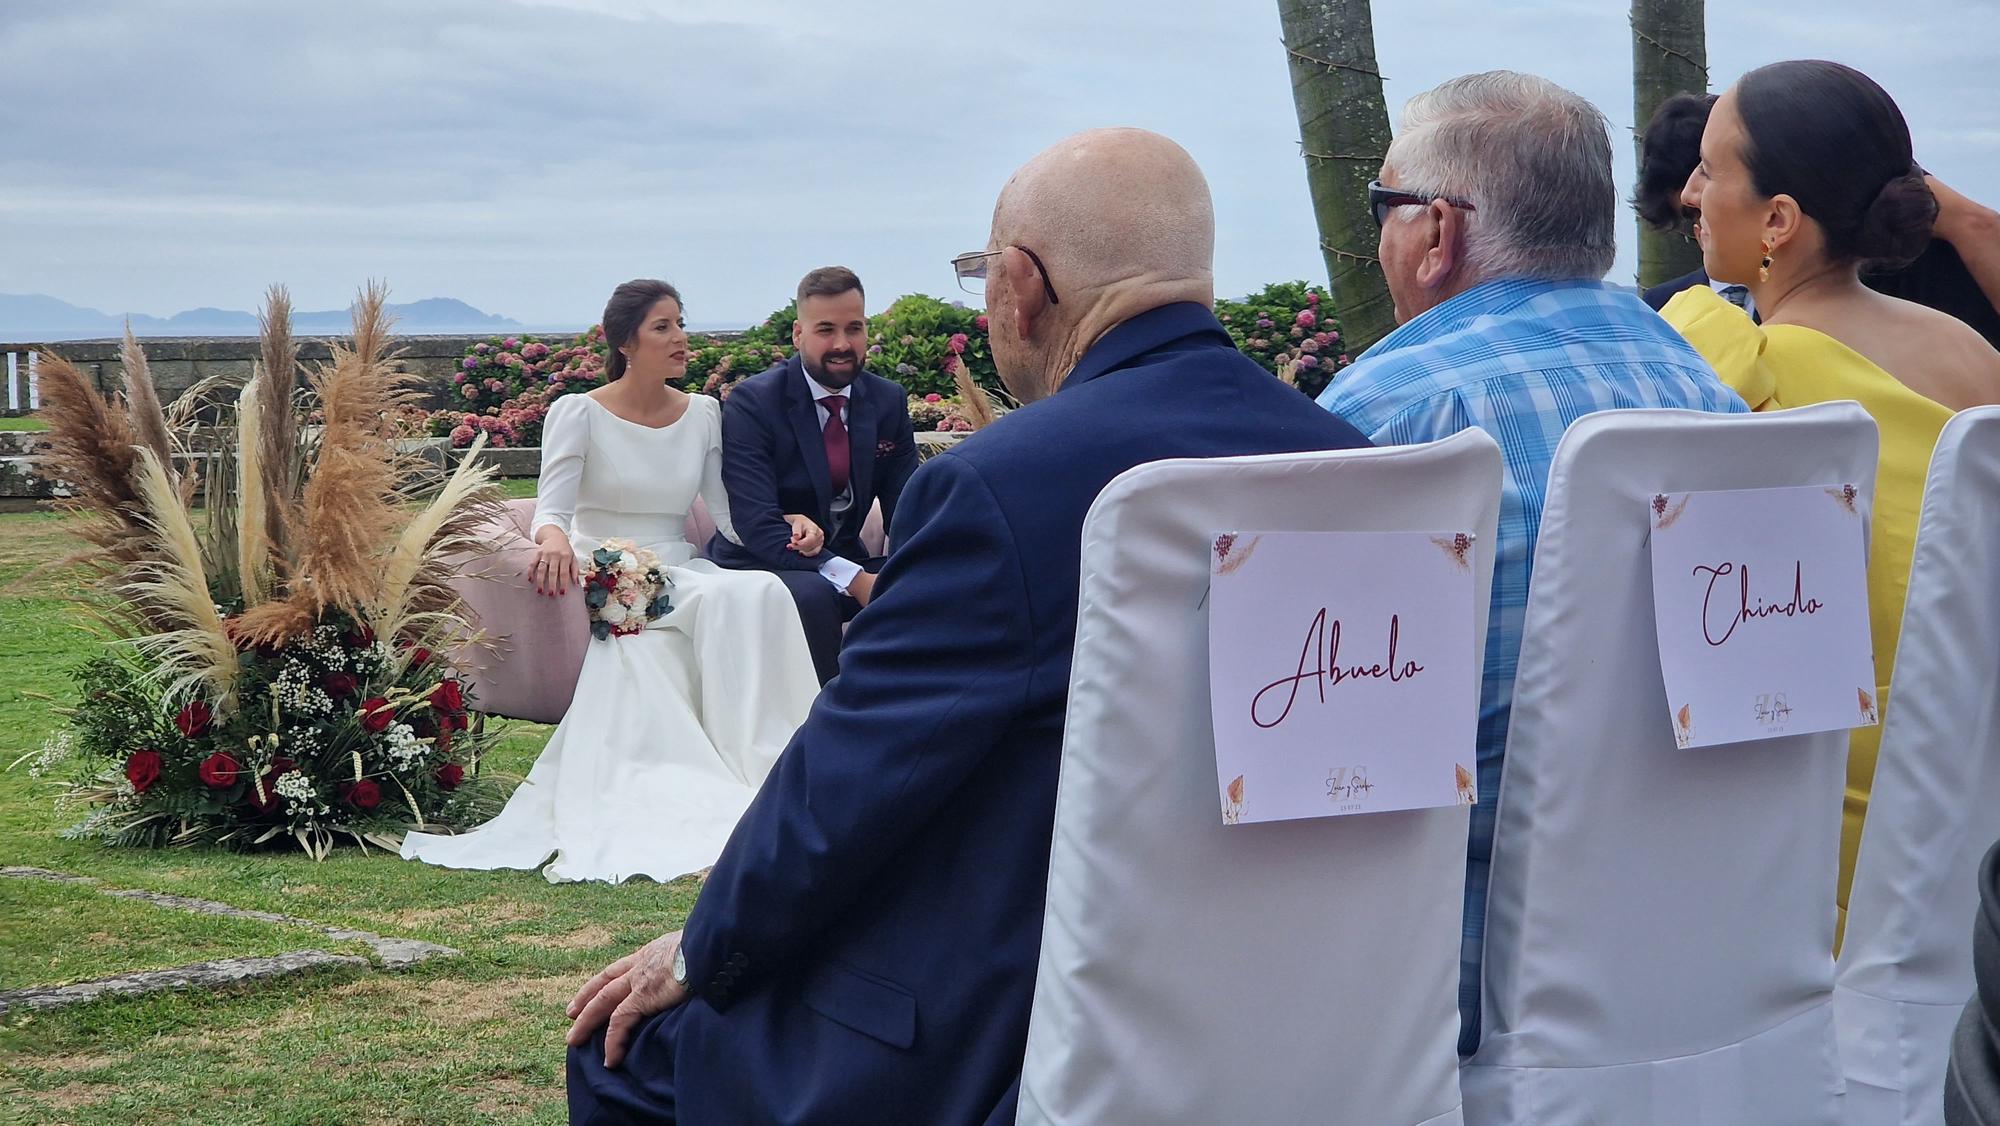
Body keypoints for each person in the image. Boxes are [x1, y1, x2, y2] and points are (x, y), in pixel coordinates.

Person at [562, 128, 1370, 1125]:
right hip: (1292, 1004)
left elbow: (847, 780)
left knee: (628, 1051)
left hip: (1026, 1025)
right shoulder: (1350, 461)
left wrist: (699, 948)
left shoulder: (996, 488)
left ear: (1020, 287)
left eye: (979, 275)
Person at [1314, 70, 1749, 1056]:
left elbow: (1312, 767)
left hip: (1444, 1005)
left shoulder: (1381, 416)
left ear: (1435, 233)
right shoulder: (1709, 397)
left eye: (1380, 206)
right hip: (1684, 969)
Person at [1664, 59, 1991, 926]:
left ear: (1778, 219)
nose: (1691, 193)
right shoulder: (1968, 353)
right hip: (1973, 830)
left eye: (1710, 169)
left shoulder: (1735, 369)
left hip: (1833, 867)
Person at [402, 280, 822, 885]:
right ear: (626, 343)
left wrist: (785, 524)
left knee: (756, 592)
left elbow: (729, 514)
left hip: (679, 562)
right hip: (609, 563)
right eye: (663, 327)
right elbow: (553, 509)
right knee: (715, 598)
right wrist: (549, 540)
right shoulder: (579, 412)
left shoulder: (704, 413)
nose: (681, 338)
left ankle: (772, 766)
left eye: (681, 323)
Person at [1638, 91, 2000, 373]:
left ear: (1778, 216)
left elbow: (1979, 223)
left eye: (1708, 174)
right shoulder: (1962, 348)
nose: (1697, 222)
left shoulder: (1754, 367)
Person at [705, 267, 919, 684]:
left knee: (927, 582)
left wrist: (920, 562)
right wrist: (855, 579)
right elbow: (755, 523)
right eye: (826, 330)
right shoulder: (755, 403)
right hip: (760, 564)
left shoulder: (887, 400)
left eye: (853, 328)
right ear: (798, 334)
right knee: (814, 595)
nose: (842, 344)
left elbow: (907, 508)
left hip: (844, 554)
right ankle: (828, 722)